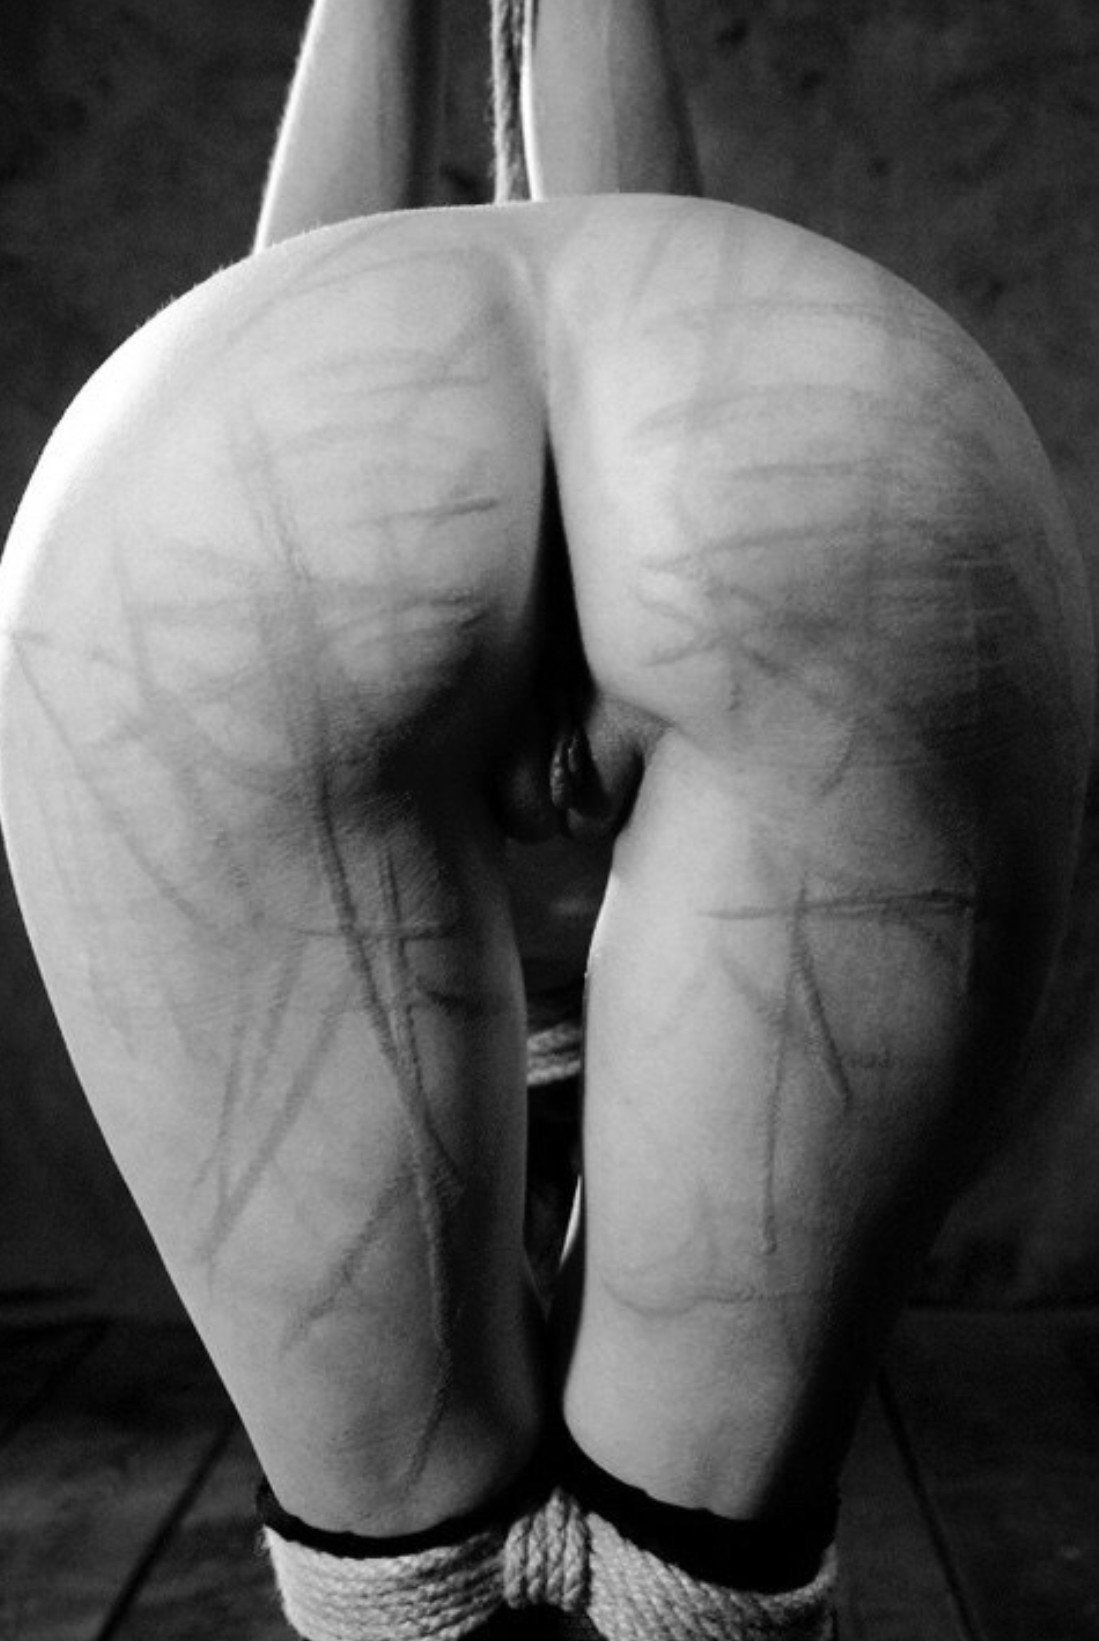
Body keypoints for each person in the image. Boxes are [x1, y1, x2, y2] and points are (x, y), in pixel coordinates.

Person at [0, 2, 1091, 1637]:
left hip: (250, 428)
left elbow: (286, 316)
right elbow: (659, 261)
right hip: (820, 377)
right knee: (698, 1572)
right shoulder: (674, 285)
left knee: (408, 1575)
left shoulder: (315, 342)